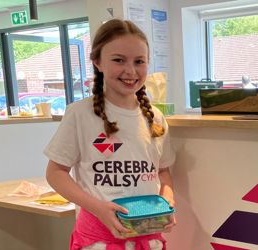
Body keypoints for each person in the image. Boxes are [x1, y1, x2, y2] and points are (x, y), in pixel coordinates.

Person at [44, 19, 176, 250]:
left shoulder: (155, 118)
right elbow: (56, 173)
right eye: (118, 60)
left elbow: (163, 172)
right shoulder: (80, 114)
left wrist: (168, 203)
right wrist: (97, 208)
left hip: (148, 236)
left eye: (139, 62)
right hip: (98, 240)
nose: (130, 71)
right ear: (97, 62)